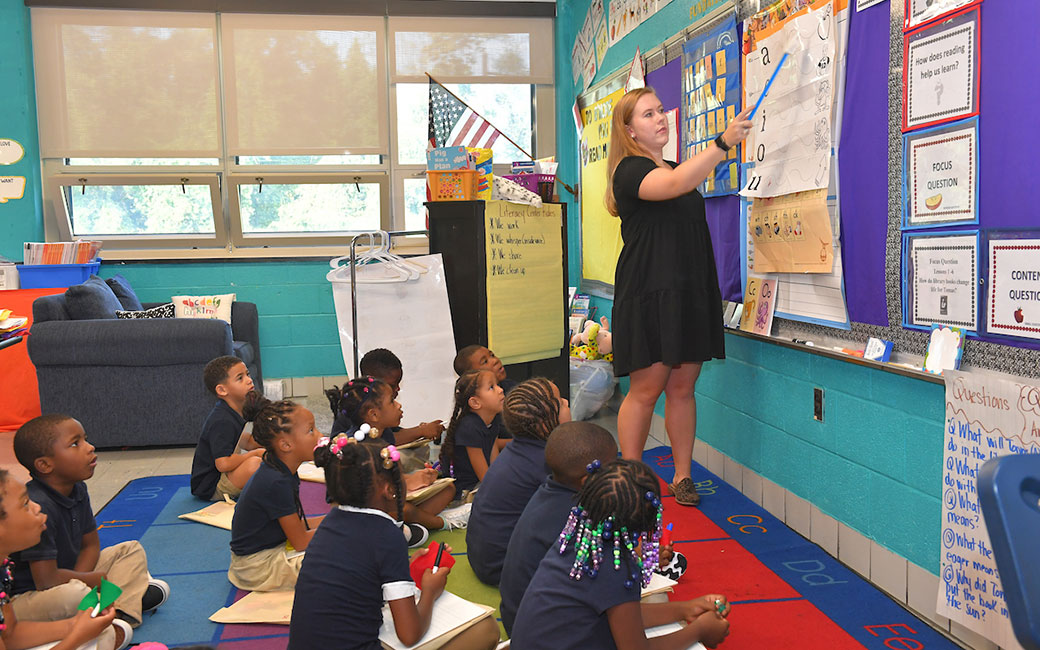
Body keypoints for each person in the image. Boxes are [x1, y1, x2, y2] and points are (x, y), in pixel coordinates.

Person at [606, 87, 753, 506]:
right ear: (629, 130)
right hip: (650, 293)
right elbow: (672, 183)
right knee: (646, 389)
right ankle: (631, 479)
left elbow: (680, 180)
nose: (659, 118)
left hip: (688, 292)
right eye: (647, 114)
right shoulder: (630, 171)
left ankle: (682, 476)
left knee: (683, 387)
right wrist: (722, 143)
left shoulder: (675, 167)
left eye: (660, 111)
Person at [288, 439, 500, 650]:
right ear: (390, 490)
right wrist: (430, 592)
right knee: (485, 629)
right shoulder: (386, 534)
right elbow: (410, 635)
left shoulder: (330, 523)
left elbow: (360, 577)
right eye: (403, 478)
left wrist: (406, 571)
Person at [510, 459, 731, 649]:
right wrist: (699, 631)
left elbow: (625, 614)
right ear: (649, 524)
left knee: (656, 600)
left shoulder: (577, 538)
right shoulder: (618, 569)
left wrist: (687, 608)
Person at [9, 415, 168, 630]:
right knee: (74, 594)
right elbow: (46, 581)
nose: (90, 447)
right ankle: (121, 600)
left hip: (70, 574)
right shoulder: (38, 508)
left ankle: (119, 614)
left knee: (130, 550)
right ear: (45, 465)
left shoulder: (77, 489)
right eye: (75, 444)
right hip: (38, 593)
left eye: (86, 439)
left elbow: (91, 544)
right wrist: (88, 581)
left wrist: (86, 579)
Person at [498, 421, 618, 634]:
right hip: (545, 632)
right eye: (614, 467)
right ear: (588, 480)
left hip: (515, 619)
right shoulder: (578, 519)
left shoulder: (549, 492)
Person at [0, 468, 131, 650]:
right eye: (25, 504)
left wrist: (75, 625)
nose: (37, 506)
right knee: (93, 636)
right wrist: (75, 637)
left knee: (101, 633)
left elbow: (10, 634)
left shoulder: (3, 565)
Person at [466, 378, 570, 586]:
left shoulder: (520, 448)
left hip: (483, 558)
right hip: (503, 567)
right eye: (560, 403)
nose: (567, 402)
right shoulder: (549, 462)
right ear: (543, 423)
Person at [328, 377, 463, 535]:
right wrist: (409, 482)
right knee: (406, 511)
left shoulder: (385, 435)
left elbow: (389, 481)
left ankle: (410, 526)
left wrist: (418, 478)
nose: (398, 405)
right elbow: (367, 498)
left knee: (447, 489)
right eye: (392, 401)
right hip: (364, 514)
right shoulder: (358, 449)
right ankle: (442, 523)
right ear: (374, 415)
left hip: (388, 500)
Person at [227, 396, 324, 592]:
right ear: (286, 445)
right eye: (311, 430)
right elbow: (300, 541)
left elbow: (299, 525)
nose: (320, 435)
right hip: (257, 567)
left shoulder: (281, 468)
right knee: (341, 557)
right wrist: (342, 527)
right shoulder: (276, 481)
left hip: (269, 552)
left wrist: (341, 518)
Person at [190, 356, 264, 501]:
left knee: (266, 454)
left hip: (224, 474)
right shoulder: (222, 420)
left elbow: (247, 441)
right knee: (255, 463)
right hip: (210, 486)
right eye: (240, 378)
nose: (249, 380)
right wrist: (254, 454)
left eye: (247, 375)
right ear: (222, 390)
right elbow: (223, 464)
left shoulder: (235, 410)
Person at [439, 370, 510, 500]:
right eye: (491, 387)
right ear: (475, 403)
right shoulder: (469, 427)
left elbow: (493, 459)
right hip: (467, 488)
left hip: (483, 481)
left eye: (497, 385)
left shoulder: (492, 419)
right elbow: (484, 476)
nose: (500, 390)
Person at [357, 348, 445, 446]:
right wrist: (420, 431)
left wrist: (422, 430)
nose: (398, 389)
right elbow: (383, 442)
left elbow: (393, 435)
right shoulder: (356, 407)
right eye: (392, 385)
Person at [453, 345, 517, 394]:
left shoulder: (510, 385)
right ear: (472, 376)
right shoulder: (481, 401)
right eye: (485, 362)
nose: (495, 360)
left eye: (492, 355)